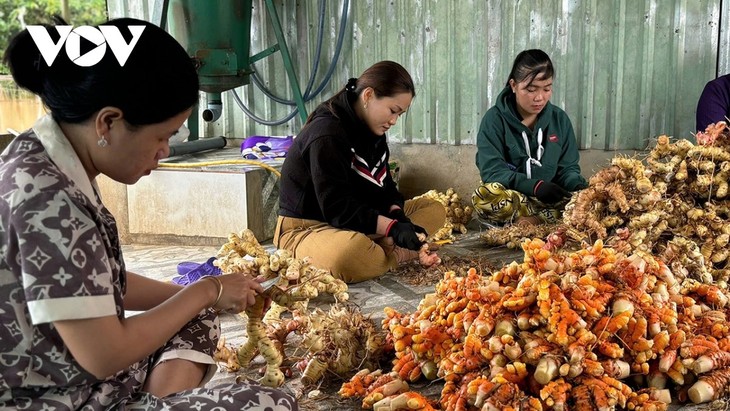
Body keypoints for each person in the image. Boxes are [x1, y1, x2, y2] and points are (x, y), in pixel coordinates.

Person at [0, 17, 297, 410]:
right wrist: (207, 289)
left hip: (75, 370)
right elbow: (105, 354)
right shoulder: (47, 201)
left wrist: (210, 296)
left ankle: (159, 401)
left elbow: (103, 284)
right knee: (271, 402)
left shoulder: (44, 155)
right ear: (109, 122)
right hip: (51, 396)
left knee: (197, 315)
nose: (165, 151)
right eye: (162, 136)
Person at [274, 61, 446, 283]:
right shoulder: (327, 133)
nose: (393, 121)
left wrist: (397, 216)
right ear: (368, 96)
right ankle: (395, 255)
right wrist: (392, 229)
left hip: (356, 221)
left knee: (434, 209)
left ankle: (382, 248)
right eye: (393, 111)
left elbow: (385, 186)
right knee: (351, 254)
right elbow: (337, 208)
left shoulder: (373, 130)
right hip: (309, 228)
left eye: (399, 115)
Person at [472, 49, 587, 226]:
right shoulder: (494, 120)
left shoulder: (560, 120)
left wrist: (579, 187)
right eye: (531, 89)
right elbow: (492, 171)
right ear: (513, 85)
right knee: (485, 196)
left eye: (547, 89)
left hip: (552, 201)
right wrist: (535, 186)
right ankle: (540, 221)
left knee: (585, 203)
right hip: (514, 198)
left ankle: (532, 221)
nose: (540, 97)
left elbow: (568, 169)